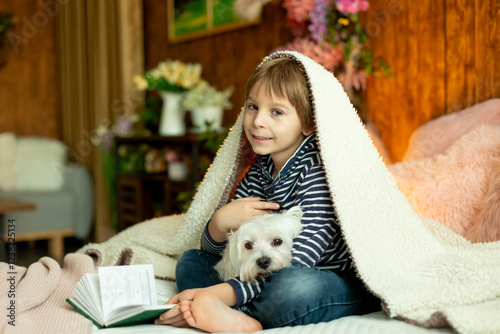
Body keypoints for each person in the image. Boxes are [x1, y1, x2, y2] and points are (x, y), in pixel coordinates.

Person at [154, 53, 380, 332]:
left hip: (329, 278)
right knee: (191, 262)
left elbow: (297, 261)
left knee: (294, 286)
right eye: (252, 107)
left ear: (310, 123)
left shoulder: (318, 172)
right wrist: (219, 223)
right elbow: (225, 251)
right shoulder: (259, 171)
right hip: (262, 274)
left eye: (276, 112)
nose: (258, 120)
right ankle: (225, 309)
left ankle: (237, 315)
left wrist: (218, 293)